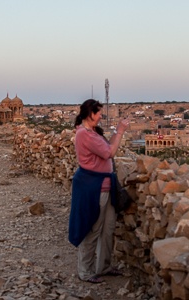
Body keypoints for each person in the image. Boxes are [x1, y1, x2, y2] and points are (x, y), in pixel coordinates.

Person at [68, 99, 125, 283]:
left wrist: (117, 130)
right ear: (90, 113)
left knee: (107, 229)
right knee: (93, 229)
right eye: (98, 113)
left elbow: (107, 149)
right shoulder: (84, 134)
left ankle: (104, 267)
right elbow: (109, 153)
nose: (101, 116)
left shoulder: (92, 132)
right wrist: (121, 130)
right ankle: (85, 271)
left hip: (105, 186)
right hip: (95, 188)